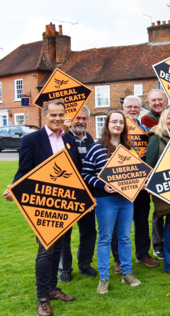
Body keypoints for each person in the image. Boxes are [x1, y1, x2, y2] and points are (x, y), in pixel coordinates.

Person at [3, 99, 80, 316]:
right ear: (45, 114)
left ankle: (53, 288)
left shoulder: (69, 140)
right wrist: (14, 188)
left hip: (65, 204)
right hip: (42, 204)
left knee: (59, 248)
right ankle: (43, 298)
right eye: (53, 114)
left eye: (61, 114)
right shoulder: (32, 140)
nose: (57, 118)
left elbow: (76, 173)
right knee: (45, 249)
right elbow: (23, 171)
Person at [83, 110, 141, 294]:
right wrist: (102, 185)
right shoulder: (96, 148)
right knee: (105, 238)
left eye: (121, 122)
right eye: (114, 121)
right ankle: (104, 277)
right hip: (105, 200)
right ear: (107, 124)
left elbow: (136, 173)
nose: (118, 125)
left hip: (126, 200)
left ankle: (127, 272)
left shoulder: (129, 149)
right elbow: (86, 174)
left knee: (124, 237)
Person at [111, 96, 159, 274]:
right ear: (123, 108)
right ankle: (118, 259)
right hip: (121, 181)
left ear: (140, 109)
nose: (132, 109)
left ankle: (142, 254)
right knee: (119, 223)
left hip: (141, 182)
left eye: (135, 107)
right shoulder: (116, 127)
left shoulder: (147, 130)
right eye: (129, 107)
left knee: (141, 219)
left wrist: (149, 148)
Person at [141, 89, 170, 259]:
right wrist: (151, 183)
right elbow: (150, 164)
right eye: (169, 118)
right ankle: (160, 247)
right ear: (163, 120)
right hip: (162, 184)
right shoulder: (155, 136)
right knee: (160, 214)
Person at [59, 106, 97, 283]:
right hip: (67, 191)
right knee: (65, 232)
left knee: (89, 229)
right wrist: (64, 134)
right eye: (77, 118)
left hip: (87, 191)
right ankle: (65, 268)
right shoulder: (62, 137)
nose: (81, 121)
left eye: (84, 118)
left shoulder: (89, 137)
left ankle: (85, 264)